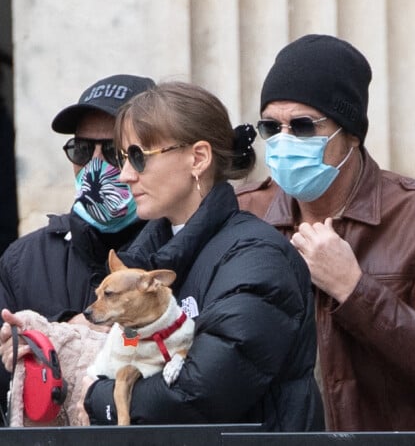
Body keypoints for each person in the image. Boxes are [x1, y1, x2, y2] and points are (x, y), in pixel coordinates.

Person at [236, 34, 415, 432]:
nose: (283, 142)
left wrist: (355, 290)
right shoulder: (246, 213)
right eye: (271, 127)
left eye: (302, 126)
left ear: (350, 133)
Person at [82, 81, 324, 430]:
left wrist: (97, 399)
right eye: (123, 158)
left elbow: (200, 394)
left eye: (138, 156)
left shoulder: (258, 258)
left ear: (198, 158)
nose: (125, 175)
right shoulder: (143, 257)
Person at [0, 74, 155, 420]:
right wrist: (28, 347)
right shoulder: (23, 260)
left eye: (115, 152)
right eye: (83, 150)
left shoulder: (179, 248)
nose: (96, 165)